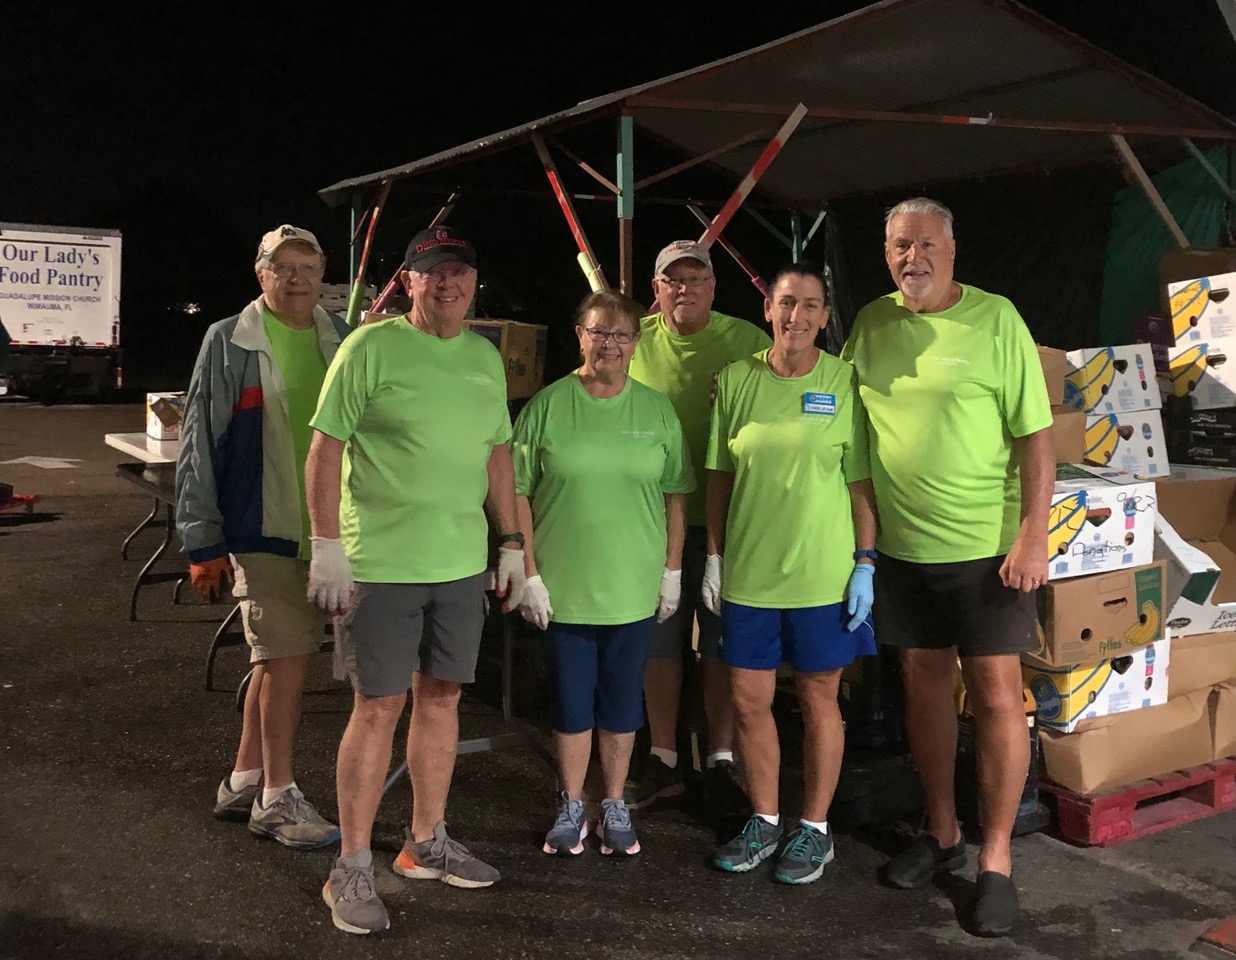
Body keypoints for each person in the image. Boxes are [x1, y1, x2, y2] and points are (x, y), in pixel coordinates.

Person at [306, 226, 526, 936]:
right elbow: (324, 447)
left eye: (459, 273)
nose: (448, 284)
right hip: (382, 564)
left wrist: (514, 542)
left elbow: (498, 456)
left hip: (460, 563)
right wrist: (326, 546)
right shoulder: (368, 347)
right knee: (378, 706)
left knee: (443, 699)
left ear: (473, 283)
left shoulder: (484, 357)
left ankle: (425, 842)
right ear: (408, 281)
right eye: (434, 273)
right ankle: (350, 865)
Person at [841, 198, 1053, 937]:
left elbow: (1036, 438)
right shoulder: (871, 323)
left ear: (953, 251)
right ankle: (942, 832)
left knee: (996, 695)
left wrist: (1034, 535)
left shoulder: (997, 320)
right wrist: (864, 549)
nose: (913, 258)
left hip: (989, 551)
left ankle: (996, 861)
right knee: (922, 686)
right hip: (903, 549)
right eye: (900, 245)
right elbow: (854, 435)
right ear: (886, 252)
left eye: (926, 244)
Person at [704, 262, 877, 885]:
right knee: (750, 703)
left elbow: (860, 483)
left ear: (826, 317)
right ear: (768, 311)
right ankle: (765, 817)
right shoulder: (736, 381)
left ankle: (815, 830)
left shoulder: (844, 382)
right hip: (751, 575)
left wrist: (865, 562)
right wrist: (716, 556)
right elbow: (719, 478)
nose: (795, 317)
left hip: (822, 577)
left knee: (818, 698)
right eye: (785, 303)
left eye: (809, 305)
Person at [175, 224, 345, 850]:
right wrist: (202, 540)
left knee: (272, 658)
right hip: (262, 525)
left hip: (324, 530)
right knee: (288, 656)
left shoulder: (341, 339)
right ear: (260, 274)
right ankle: (278, 798)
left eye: (308, 265)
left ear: (323, 276)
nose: (297, 277)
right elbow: (197, 442)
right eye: (283, 266)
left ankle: (245, 779)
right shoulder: (229, 340)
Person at [512, 289, 694, 858]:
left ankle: (613, 803)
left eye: (621, 335)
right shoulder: (547, 405)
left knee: (620, 703)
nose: (609, 345)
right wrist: (527, 570)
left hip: (632, 587)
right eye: (599, 333)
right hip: (563, 587)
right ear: (580, 336)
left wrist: (672, 570)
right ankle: (571, 803)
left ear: (637, 343)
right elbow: (517, 491)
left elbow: (676, 497)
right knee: (570, 701)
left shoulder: (656, 409)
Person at [625, 240, 771, 812]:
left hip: (728, 522)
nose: (684, 289)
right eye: (672, 281)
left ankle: (720, 757)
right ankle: (662, 755)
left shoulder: (748, 343)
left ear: (714, 288)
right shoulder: (632, 339)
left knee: (719, 643)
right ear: (657, 290)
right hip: (651, 521)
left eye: (696, 279)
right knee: (660, 642)